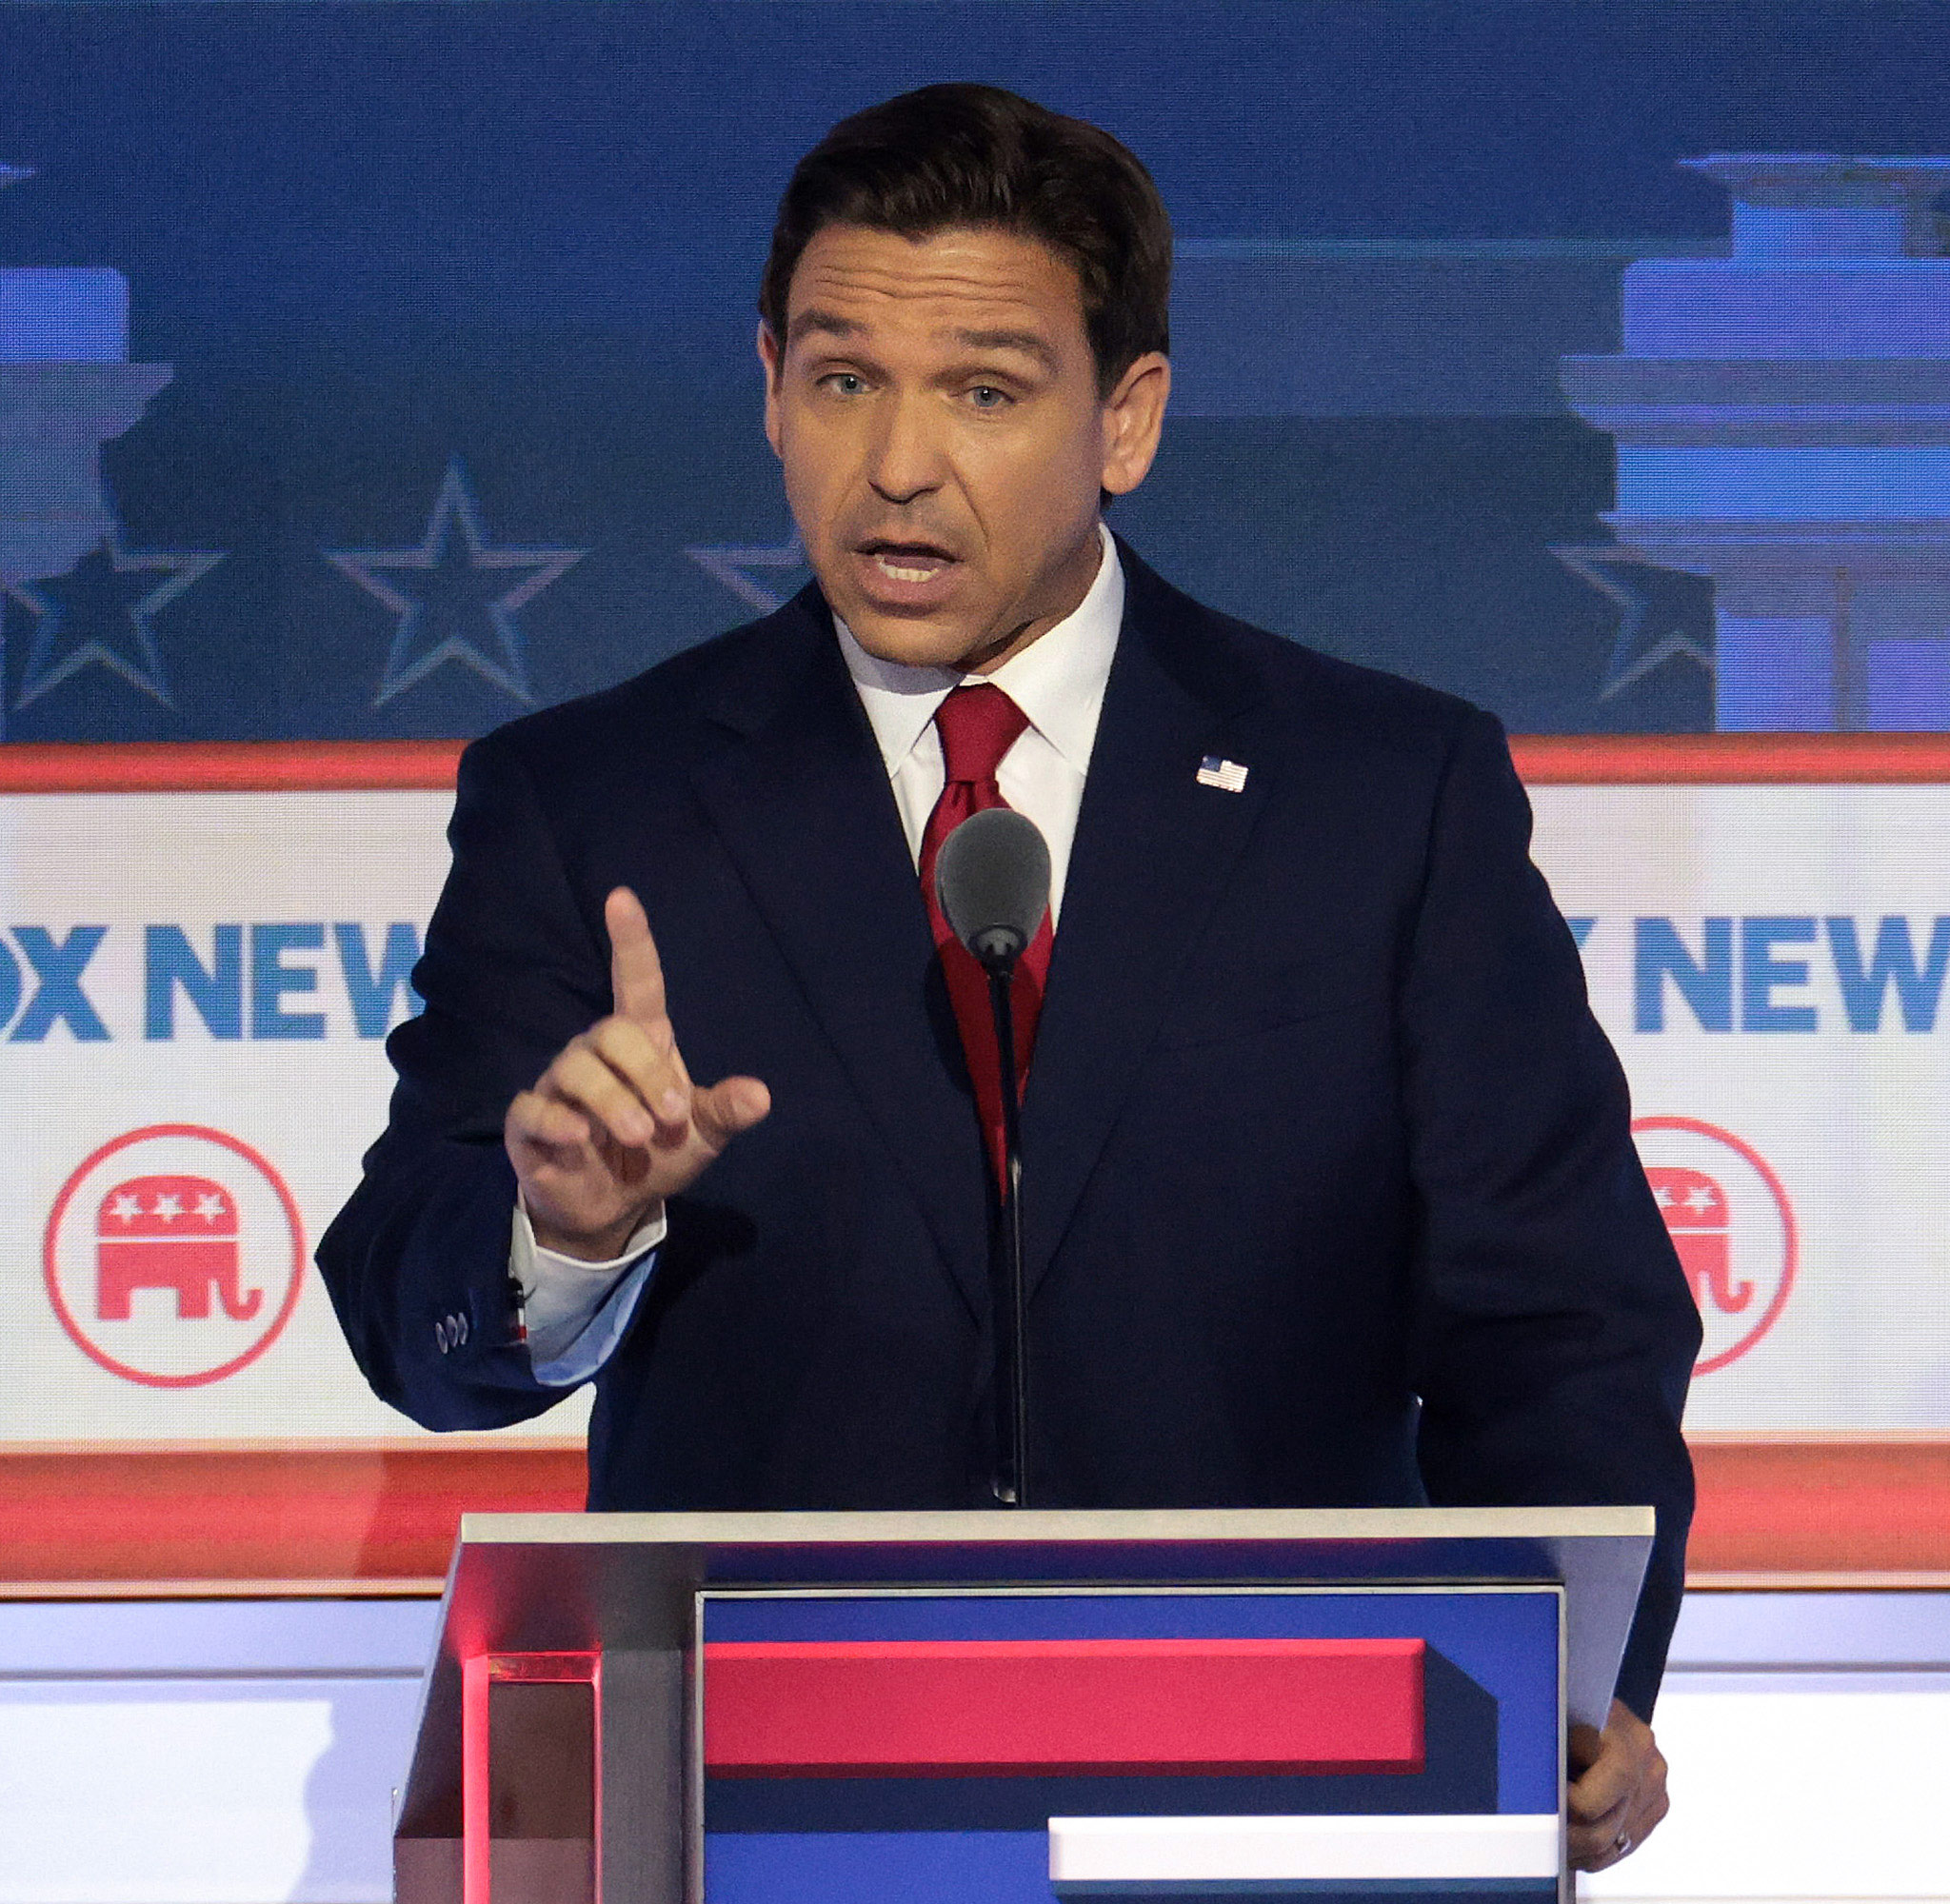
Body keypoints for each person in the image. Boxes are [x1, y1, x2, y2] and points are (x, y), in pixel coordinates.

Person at [316, 81, 1696, 1871]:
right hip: (763, 1809)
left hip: (1294, 1783)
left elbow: (1559, 1314)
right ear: (769, 388)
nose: (895, 464)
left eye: (983, 389)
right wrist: (561, 1232)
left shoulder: (1379, 794)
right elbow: (406, 1310)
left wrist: (1580, 1677)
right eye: (839, 380)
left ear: (1126, 417)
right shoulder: (593, 800)